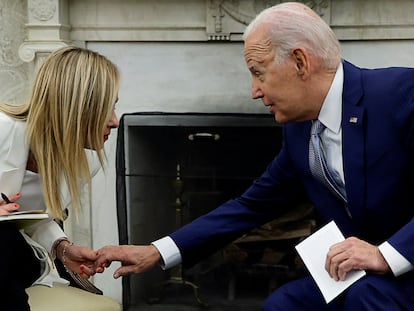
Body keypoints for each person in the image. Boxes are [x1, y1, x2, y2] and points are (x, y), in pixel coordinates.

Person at [95, 2, 414, 310]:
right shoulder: (300, 132)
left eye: (258, 73)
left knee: (368, 297)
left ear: (300, 62)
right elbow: (251, 206)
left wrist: (386, 255)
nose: (254, 91)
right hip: (357, 274)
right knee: (284, 304)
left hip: (402, 266)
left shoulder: (400, 94)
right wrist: (156, 251)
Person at [0, 46, 119, 310]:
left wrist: (63, 249)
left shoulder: (88, 160)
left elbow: (31, 218)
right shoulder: (2, 130)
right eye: (106, 109)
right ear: (75, 108)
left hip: (20, 259)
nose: (115, 121)